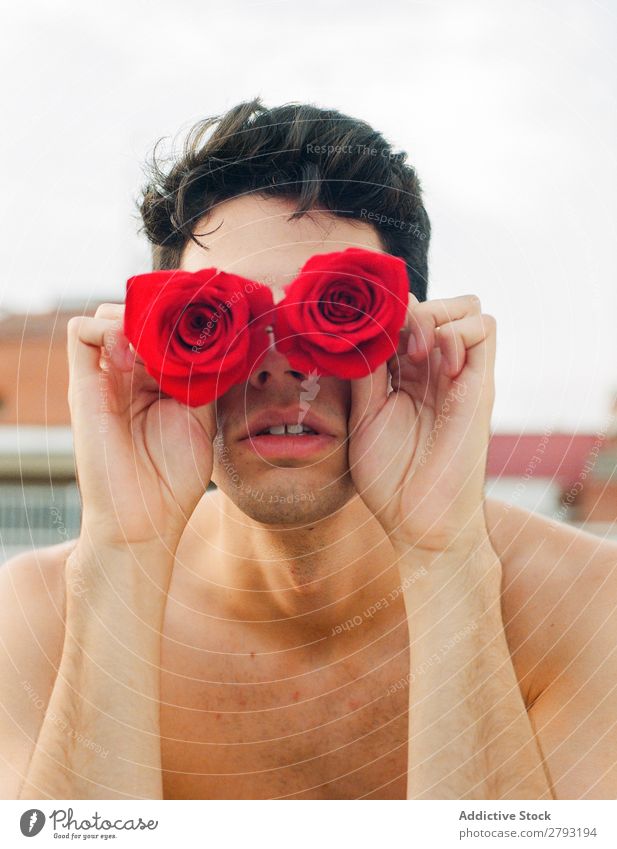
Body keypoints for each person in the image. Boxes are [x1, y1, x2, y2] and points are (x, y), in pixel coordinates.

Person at [2, 99, 616, 801]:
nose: (281, 365)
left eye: (330, 311)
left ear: (408, 338)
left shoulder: (584, 604)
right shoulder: (41, 616)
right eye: (226, 314)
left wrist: (446, 560)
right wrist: (124, 554)